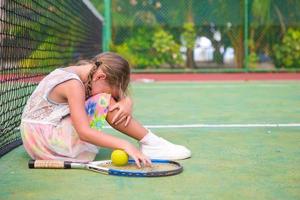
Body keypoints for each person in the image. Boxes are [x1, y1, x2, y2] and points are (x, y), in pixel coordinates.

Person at [20, 52, 191, 167]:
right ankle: (151, 143)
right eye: (108, 90)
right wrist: (126, 145)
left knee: (104, 98)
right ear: (101, 77)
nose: (110, 97)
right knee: (102, 100)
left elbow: (105, 92)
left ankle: (151, 142)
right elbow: (84, 132)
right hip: (48, 142)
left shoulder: (83, 73)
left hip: (34, 139)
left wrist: (126, 100)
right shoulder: (73, 85)